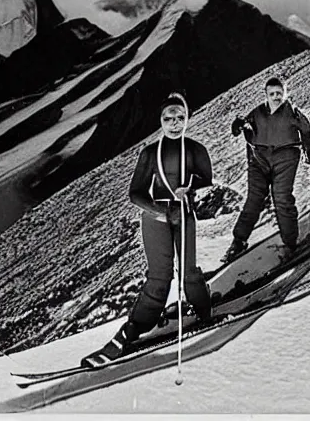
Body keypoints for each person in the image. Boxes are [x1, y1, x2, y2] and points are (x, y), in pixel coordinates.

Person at [81, 93, 213, 367]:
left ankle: (204, 312)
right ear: (160, 121)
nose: (175, 123)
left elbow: (207, 178)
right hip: (157, 219)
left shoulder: (196, 149)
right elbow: (135, 193)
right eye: (168, 118)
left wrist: (190, 188)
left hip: (184, 213)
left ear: (187, 118)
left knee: (189, 271)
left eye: (180, 118)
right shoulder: (150, 153)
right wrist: (160, 211)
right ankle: (133, 329)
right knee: (159, 277)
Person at [223, 77, 310, 263]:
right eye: (272, 94)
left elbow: (306, 132)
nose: (276, 97)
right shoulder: (258, 112)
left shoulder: (294, 113)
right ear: (266, 95)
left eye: (279, 93)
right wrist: (238, 125)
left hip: (286, 157)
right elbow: (243, 124)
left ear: (285, 93)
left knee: (281, 197)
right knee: (254, 200)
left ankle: (290, 244)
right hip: (259, 159)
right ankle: (239, 241)